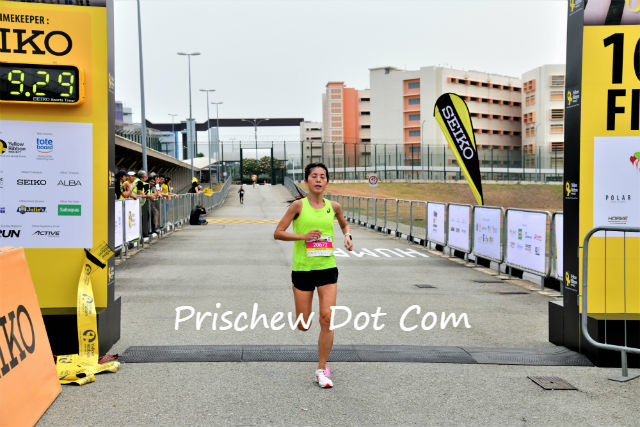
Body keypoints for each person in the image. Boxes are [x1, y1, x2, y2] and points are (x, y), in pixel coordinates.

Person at [273, 162, 353, 388]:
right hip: (303, 270)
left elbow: (344, 225)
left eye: (323, 176)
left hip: (327, 268)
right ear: (307, 180)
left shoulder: (334, 206)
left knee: (327, 318)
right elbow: (278, 233)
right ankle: (299, 300)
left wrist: (348, 236)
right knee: (304, 324)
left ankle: (321, 368)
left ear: (327, 181)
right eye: (314, 176)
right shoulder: (298, 206)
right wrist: (304, 236)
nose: (319, 179)